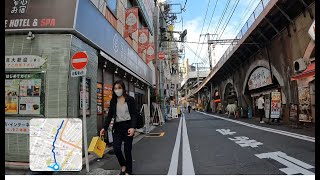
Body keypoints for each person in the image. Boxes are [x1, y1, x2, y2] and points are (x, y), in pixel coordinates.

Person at [100, 80, 137, 175]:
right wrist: (104, 128)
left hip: (128, 127)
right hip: (117, 128)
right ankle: (123, 165)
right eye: (115, 88)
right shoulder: (113, 101)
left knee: (127, 150)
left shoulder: (130, 99)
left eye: (119, 88)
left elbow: (134, 114)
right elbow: (109, 116)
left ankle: (129, 171)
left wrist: (133, 127)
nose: (117, 90)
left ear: (123, 89)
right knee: (116, 148)